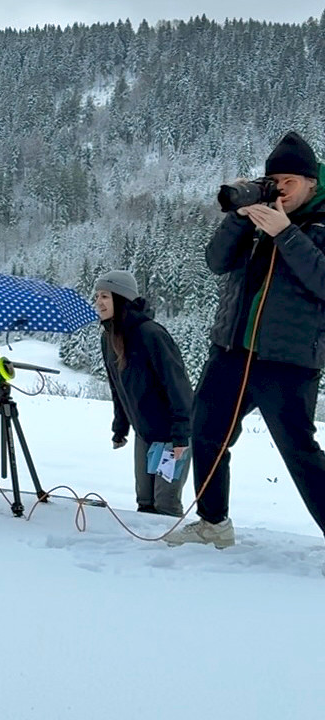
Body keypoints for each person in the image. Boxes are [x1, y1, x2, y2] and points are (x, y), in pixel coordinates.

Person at [167, 131, 325, 550]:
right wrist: (239, 217)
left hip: (288, 359)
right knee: (207, 433)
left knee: (299, 451)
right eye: (276, 179)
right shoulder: (259, 213)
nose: (282, 187)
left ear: (312, 182)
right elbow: (217, 262)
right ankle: (212, 522)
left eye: (292, 180)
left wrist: (287, 233)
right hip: (232, 349)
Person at [94, 270, 194, 517]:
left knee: (166, 505)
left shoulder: (151, 334)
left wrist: (181, 435)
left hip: (172, 436)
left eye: (105, 296)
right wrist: (120, 427)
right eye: (96, 296)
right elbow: (118, 388)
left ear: (121, 298)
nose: (98, 302)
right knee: (145, 503)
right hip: (145, 433)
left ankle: (175, 555)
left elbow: (178, 386)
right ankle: (146, 555)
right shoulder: (109, 338)